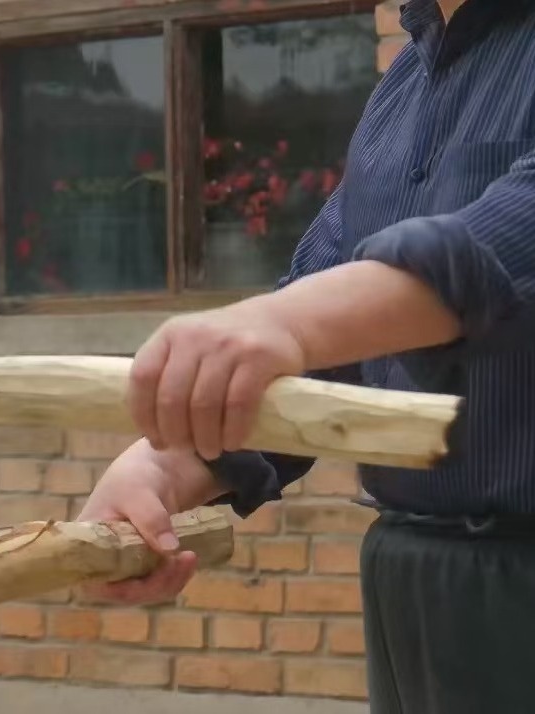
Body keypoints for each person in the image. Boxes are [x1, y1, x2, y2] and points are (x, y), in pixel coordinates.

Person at [78, 0, 535, 712]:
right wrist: (165, 466)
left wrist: (283, 324)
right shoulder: (406, 81)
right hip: (415, 576)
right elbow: (323, 325)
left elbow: (505, 241)